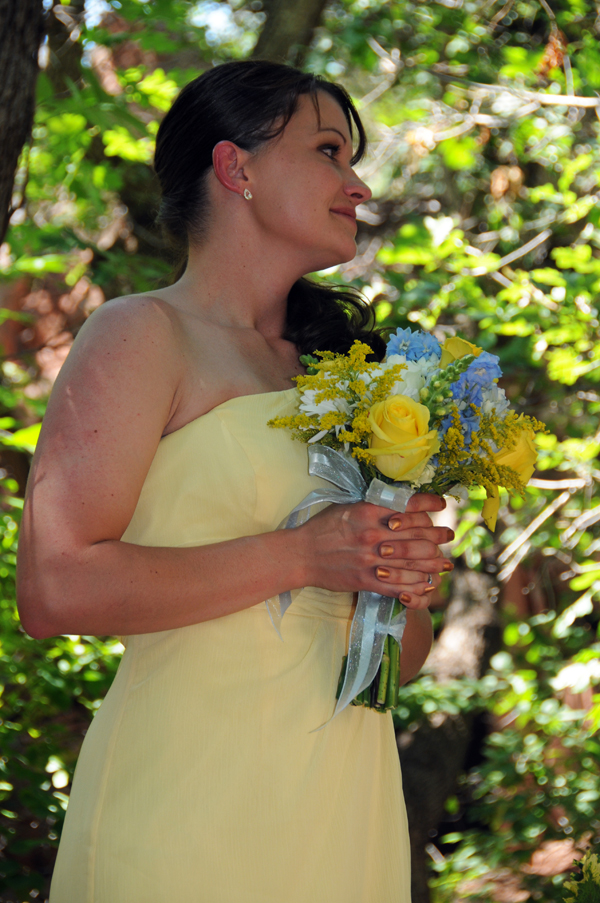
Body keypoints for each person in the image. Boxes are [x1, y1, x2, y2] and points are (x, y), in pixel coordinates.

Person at [17, 60, 453, 902]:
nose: (358, 184)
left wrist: (399, 579)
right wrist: (305, 555)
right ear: (236, 167)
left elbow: (406, 653)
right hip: (192, 800)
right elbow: (54, 587)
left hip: (344, 802)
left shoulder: (354, 378)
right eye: (330, 150)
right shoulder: (141, 334)